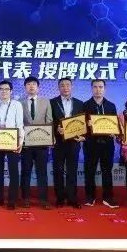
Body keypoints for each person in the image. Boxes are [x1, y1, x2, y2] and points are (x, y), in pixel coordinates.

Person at [50, 77, 85, 208]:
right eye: (62, 85)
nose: (65, 87)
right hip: (58, 142)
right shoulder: (52, 102)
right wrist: (56, 129)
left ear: (72, 87)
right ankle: (59, 197)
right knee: (58, 170)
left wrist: (82, 136)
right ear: (58, 87)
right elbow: (49, 120)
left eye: (68, 85)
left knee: (72, 170)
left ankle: (72, 198)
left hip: (74, 142)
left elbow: (84, 122)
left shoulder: (80, 103)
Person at [0, 80, 24, 209]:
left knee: (13, 172)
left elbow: (20, 124)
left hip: (12, 142)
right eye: (1, 89)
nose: (4, 91)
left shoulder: (17, 105)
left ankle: (12, 200)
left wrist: (20, 142)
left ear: (11, 91)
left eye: (6, 89)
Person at [83, 79, 119, 208]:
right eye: (95, 87)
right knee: (89, 171)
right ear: (91, 88)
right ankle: (90, 197)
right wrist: (86, 124)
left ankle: (108, 197)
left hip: (107, 144)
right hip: (91, 144)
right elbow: (81, 126)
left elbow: (115, 124)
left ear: (105, 89)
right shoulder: (85, 105)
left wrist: (114, 132)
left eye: (100, 87)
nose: (98, 89)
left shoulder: (111, 105)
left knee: (107, 171)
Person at [20, 76, 52, 209]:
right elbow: (18, 122)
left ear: (38, 87)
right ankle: (25, 199)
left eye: (34, 84)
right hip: (26, 143)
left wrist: (48, 137)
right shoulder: (19, 103)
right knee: (25, 172)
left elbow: (49, 121)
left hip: (41, 143)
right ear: (25, 87)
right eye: (28, 84)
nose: (31, 86)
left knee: (42, 172)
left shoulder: (46, 101)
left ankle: (43, 200)